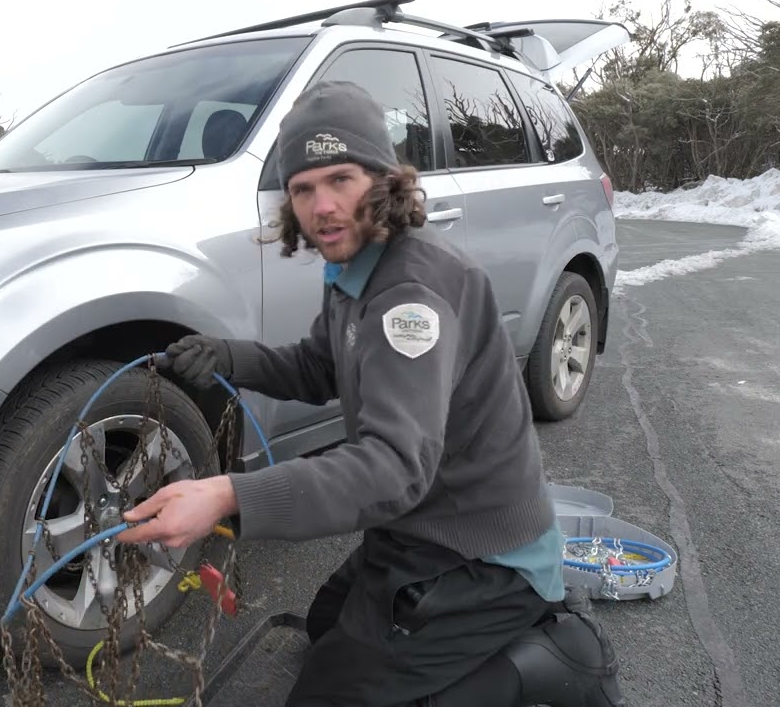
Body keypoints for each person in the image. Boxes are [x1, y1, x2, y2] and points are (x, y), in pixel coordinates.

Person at [117, 81, 625, 707]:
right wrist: (229, 357)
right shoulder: (355, 267)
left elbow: (392, 467)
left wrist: (227, 495)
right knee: (329, 625)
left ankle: (548, 660)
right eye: (303, 188)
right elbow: (319, 367)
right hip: (415, 526)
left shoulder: (410, 297)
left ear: (384, 182)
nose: (321, 205)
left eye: (342, 179)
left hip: (481, 553)